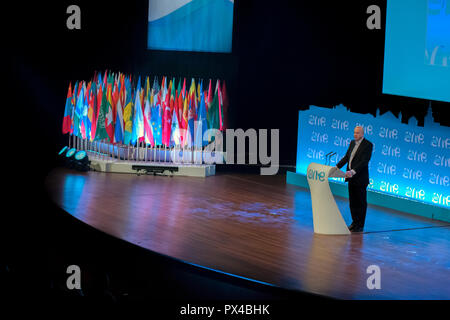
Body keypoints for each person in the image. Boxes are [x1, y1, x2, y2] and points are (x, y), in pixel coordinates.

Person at [336, 126, 373, 233]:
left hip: (360, 179)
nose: (355, 134)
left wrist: (353, 171)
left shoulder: (368, 145)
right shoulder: (352, 143)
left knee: (360, 202)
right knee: (352, 202)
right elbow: (347, 157)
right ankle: (354, 223)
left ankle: (360, 225)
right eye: (354, 132)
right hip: (350, 178)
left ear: (362, 134)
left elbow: (364, 161)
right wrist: (337, 167)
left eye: (357, 133)